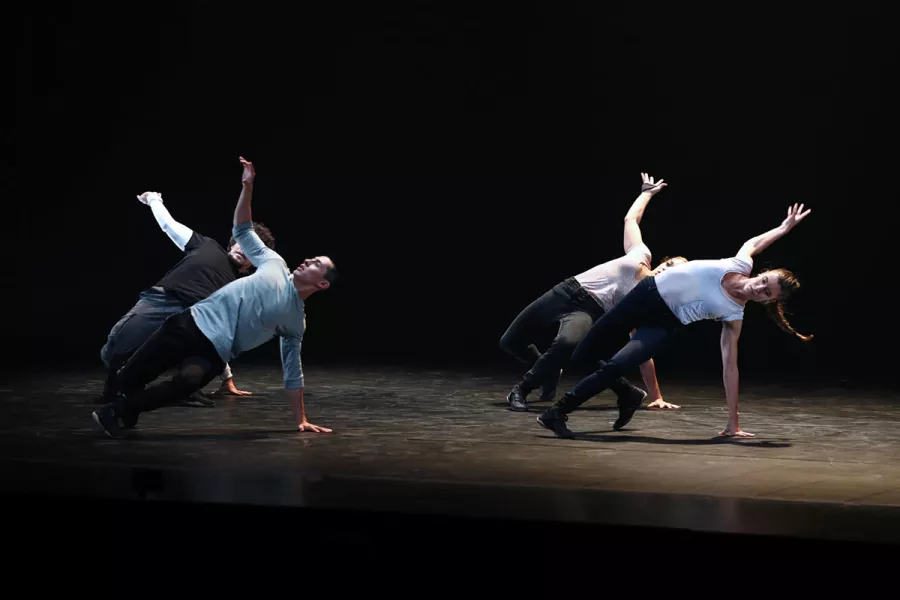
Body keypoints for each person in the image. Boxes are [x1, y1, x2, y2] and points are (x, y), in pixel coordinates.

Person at [92, 157, 337, 438]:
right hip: (190, 324)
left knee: (188, 382)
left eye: (316, 263)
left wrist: (301, 418)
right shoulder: (273, 263)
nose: (307, 260)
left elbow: (293, 371)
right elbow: (241, 229)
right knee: (128, 376)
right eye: (311, 258)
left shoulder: (295, 321)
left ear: (321, 284)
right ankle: (124, 399)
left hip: (214, 351)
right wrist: (247, 186)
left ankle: (118, 410)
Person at [536, 201, 813, 439]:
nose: (758, 288)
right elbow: (753, 243)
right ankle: (628, 395)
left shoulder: (733, 315)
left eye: (766, 292)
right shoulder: (740, 263)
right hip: (645, 295)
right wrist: (783, 228)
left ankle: (558, 412)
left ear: (768, 301)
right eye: (764, 281)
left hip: (666, 323)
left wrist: (733, 422)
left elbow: (730, 368)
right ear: (762, 273)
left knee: (615, 365)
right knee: (582, 353)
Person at [500, 173, 686, 413]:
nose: (668, 268)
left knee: (567, 343)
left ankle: (521, 389)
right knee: (510, 341)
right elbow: (631, 219)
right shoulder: (641, 254)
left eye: (675, 272)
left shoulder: (642, 299)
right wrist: (646, 193)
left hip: (589, 310)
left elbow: (641, 351)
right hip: (567, 291)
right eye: (670, 263)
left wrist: (657, 396)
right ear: (663, 262)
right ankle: (549, 370)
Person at [99, 182, 276, 405]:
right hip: (163, 301)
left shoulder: (238, 286)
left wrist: (227, 378)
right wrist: (154, 199)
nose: (244, 249)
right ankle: (115, 384)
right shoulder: (207, 246)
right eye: (243, 242)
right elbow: (169, 226)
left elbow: (221, 335)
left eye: (252, 249)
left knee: (198, 351)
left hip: (192, 320)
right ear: (234, 242)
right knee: (115, 348)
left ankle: (180, 390)